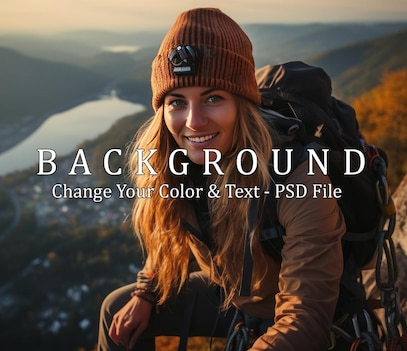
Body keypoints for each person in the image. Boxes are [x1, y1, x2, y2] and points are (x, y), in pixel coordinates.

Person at [97, 7, 344, 351]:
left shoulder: (298, 177)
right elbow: (170, 238)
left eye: (213, 98)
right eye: (177, 102)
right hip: (232, 295)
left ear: (242, 104)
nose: (194, 121)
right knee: (116, 311)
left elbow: (306, 320)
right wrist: (146, 292)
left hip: (294, 311)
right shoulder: (177, 165)